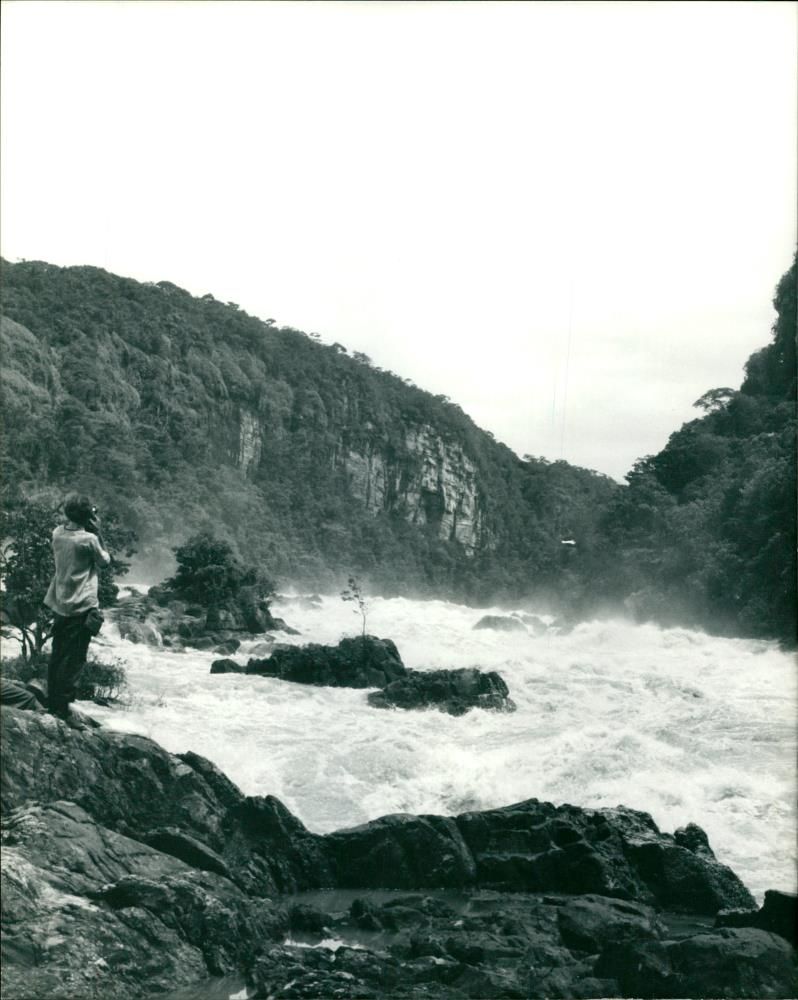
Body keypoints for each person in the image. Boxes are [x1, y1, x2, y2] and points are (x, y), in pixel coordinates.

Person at [44, 493, 111, 724]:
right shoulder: (89, 540)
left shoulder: (57, 533)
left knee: (59, 653)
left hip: (61, 602)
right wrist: (98, 532)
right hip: (82, 605)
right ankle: (62, 710)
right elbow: (104, 561)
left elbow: (70, 529)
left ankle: (53, 703)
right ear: (88, 517)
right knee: (75, 659)